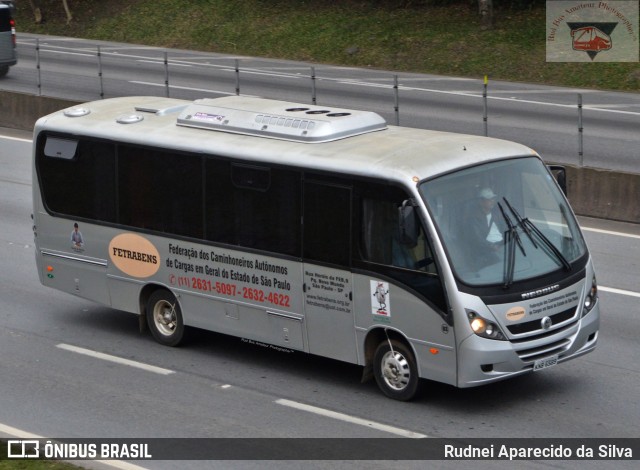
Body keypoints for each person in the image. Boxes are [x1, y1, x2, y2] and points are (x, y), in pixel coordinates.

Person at [464, 188, 504, 269]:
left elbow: (505, 228)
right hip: (487, 250)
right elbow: (478, 239)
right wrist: (492, 246)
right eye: (489, 199)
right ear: (481, 202)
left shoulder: (497, 214)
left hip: (502, 245)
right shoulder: (474, 219)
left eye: (493, 198)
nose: (492, 201)